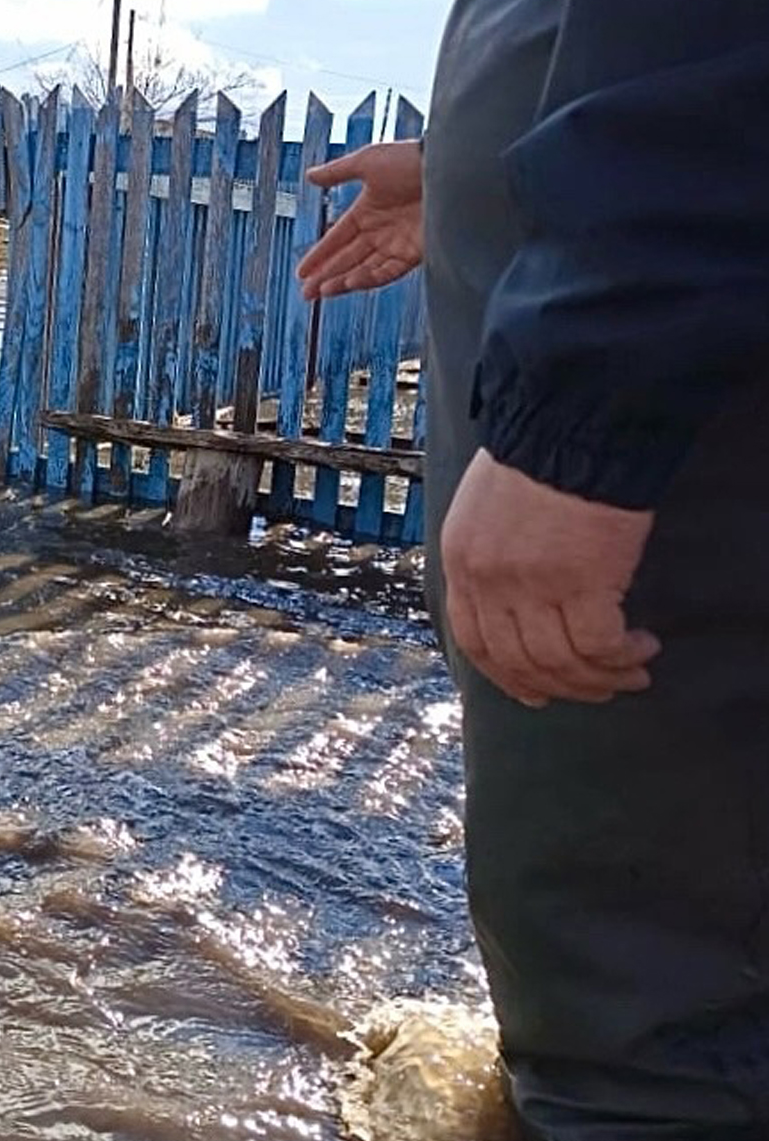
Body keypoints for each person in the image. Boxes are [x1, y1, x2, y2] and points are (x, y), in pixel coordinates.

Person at [297, 3, 769, 1136]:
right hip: (657, 233)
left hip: (676, 334)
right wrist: (481, 169)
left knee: (649, 1016)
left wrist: (587, 408)